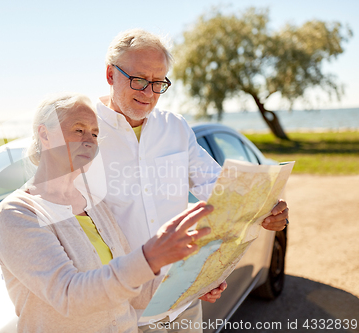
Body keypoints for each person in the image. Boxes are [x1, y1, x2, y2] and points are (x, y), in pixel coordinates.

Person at [78, 29, 290, 332]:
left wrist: (267, 209)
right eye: (138, 80)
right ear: (111, 74)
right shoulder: (82, 133)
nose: (148, 93)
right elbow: (65, 223)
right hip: (122, 313)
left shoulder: (175, 128)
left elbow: (220, 190)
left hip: (182, 305)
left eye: (158, 83)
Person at [0, 93, 215, 333]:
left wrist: (193, 283)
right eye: (78, 130)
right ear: (45, 135)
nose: (89, 141)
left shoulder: (94, 204)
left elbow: (135, 290)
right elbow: (69, 295)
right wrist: (149, 258)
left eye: (95, 133)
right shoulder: (17, 213)